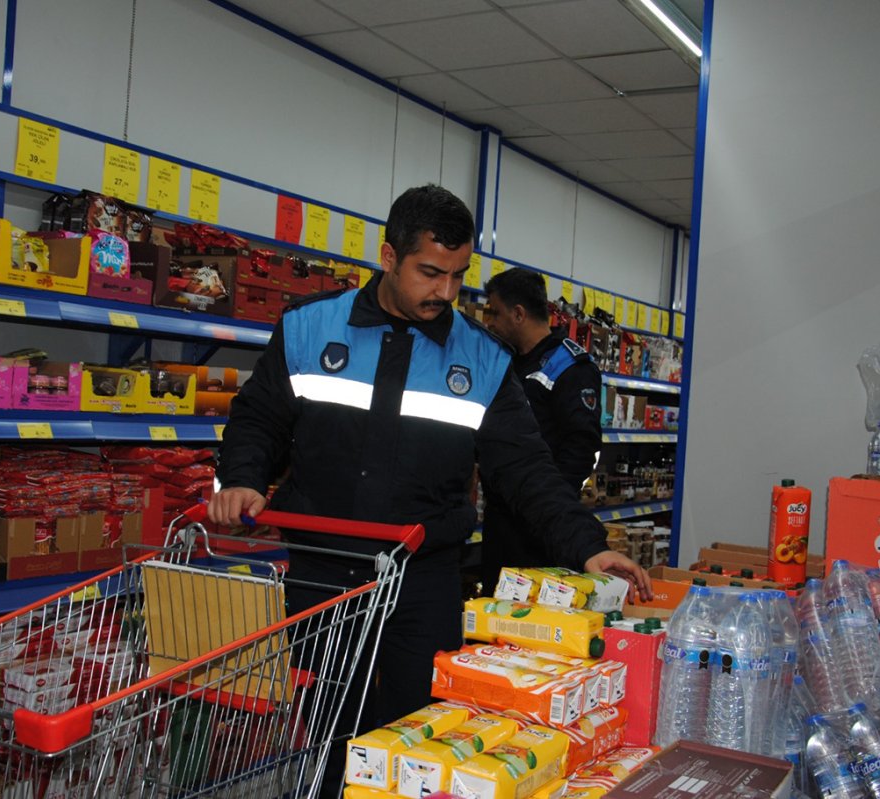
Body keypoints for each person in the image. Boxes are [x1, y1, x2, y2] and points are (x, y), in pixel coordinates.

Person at [209, 184, 653, 734]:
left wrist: (587, 545)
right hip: (321, 574)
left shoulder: (484, 359)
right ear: (389, 257)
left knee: (420, 738)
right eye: (429, 272)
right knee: (326, 734)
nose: (446, 290)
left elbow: (526, 467)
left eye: (459, 275)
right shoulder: (308, 327)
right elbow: (259, 417)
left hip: (420, 582)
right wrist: (242, 478)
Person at [480, 267, 604, 593]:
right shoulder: (503, 360)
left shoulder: (569, 366)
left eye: (494, 312)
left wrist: (547, 509)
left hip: (541, 526)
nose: (488, 321)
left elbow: (583, 446)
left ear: (518, 314)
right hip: (501, 522)